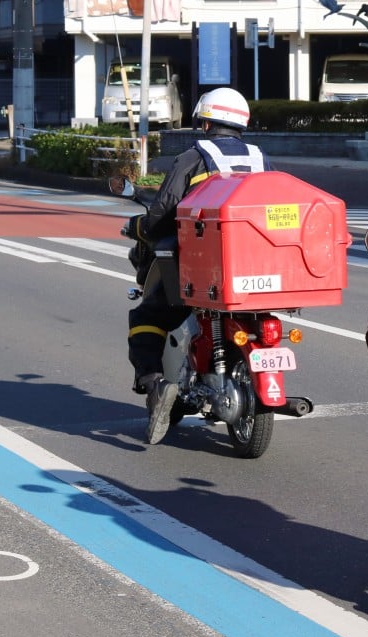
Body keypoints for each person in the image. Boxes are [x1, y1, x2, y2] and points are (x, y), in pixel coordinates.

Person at [124, 87, 270, 445]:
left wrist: (138, 226)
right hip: (257, 266)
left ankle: (155, 382)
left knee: (149, 316)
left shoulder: (194, 157)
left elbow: (162, 214)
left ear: (204, 121)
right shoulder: (260, 157)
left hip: (203, 267)